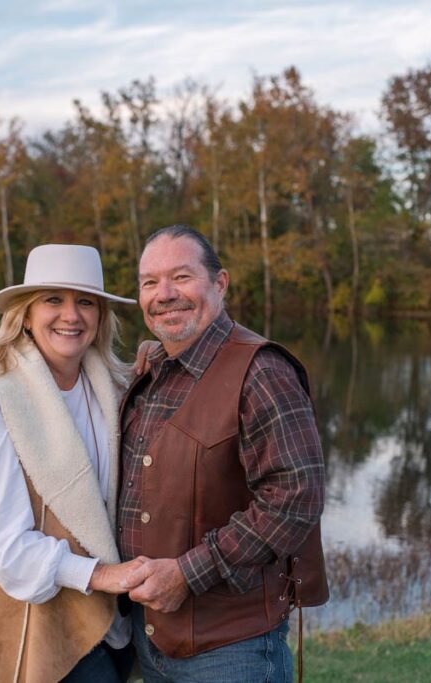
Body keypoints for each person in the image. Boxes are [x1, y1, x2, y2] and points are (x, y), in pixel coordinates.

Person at [119, 225, 329, 683]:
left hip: (231, 649)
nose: (165, 294)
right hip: (151, 638)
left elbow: (296, 498)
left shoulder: (262, 372)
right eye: (150, 282)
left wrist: (186, 574)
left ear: (220, 283)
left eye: (182, 277)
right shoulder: (154, 369)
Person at [0, 244, 147, 682]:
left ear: (101, 316)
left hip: (115, 625)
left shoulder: (112, 389)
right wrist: (101, 575)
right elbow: (5, 549)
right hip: (44, 630)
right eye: (53, 300)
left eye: (85, 302)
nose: (71, 316)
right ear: (25, 313)